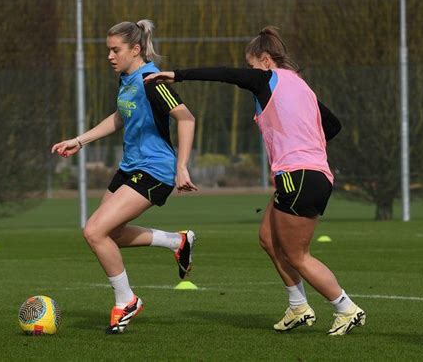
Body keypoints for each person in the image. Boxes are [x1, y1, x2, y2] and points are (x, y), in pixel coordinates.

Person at [144, 26, 365, 336]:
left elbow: (226, 74)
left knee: (297, 255)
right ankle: (298, 306)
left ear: (264, 60)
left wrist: (177, 75)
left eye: (251, 65)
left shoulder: (266, 77)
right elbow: (334, 125)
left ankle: (346, 308)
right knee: (268, 239)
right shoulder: (301, 87)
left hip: (297, 176)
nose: (249, 73)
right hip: (310, 175)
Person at [51, 19, 198, 334]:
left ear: (136, 49)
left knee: (94, 232)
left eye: (115, 50)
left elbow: (186, 118)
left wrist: (182, 166)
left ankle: (127, 300)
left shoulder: (152, 81)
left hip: (155, 169)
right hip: (129, 167)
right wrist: (80, 140)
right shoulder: (127, 79)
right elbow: (121, 115)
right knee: (109, 234)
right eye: (108, 50)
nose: (109, 56)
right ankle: (177, 241)